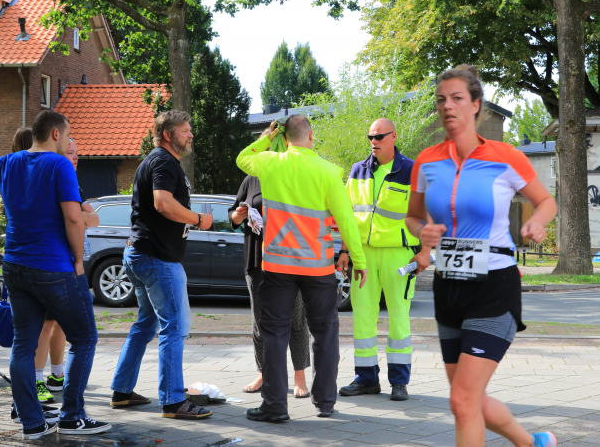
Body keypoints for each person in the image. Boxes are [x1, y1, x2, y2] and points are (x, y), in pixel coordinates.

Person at [0, 111, 110, 439]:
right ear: (55, 134)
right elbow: (73, 219)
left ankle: (32, 423)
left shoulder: (7, 163)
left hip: (15, 266)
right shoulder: (60, 166)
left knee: (23, 344)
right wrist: (80, 263)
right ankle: (72, 416)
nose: (69, 142)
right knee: (84, 339)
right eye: (68, 136)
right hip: (54, 268)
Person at [405, 66, 557, 447]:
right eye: (441, 99)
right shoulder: (426, 161)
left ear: (476, 106)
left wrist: (537, 222)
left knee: (462, 398)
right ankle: (532, 443)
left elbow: (546, 201)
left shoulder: (505, 158)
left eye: (457, 98)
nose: (447, 106)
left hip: (494, 287)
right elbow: (412, 217)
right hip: (448, 288)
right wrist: (421, 233)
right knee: (466, 400)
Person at [235, 114, 367, 422]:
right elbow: (346, 220)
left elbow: (243, 157)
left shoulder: (270, 163)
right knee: (325, 332)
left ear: (284, 136)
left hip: (278, 265)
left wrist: (268, 136)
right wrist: (357, 260)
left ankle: (275, 407)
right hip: (318, 266)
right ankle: (325, 402)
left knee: (274, 333)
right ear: (311, 137)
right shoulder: (328, 171)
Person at [109, 110, 215, 420]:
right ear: (168, 135)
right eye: (185, 130)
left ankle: (122, 392)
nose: (190, 135)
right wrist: (198, 219)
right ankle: (173, 402)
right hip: (157, 259)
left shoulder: (154, 161)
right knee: (175, 327)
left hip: (139, 254)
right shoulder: (164, 162)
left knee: (145, 324)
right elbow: (162, 202)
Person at [340, 118, 431, 402]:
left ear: (393, 136)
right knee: (362, 317)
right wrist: (345, 251)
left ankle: (399, 382)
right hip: (363, 255)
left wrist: (426, 252)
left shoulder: (414, 171)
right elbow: (347, 215)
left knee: (399, 318)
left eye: (379, 136)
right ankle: (366, 380)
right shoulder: (358, 171)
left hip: (399, 254)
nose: (373, 142)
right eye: (370, 137)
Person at [228, 169, 312, 397]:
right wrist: (240, 214)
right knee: (259, 321)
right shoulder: (250, 180)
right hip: (256, 260)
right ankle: (263, 374)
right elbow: (233, 219)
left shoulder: (292, 175)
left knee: (296, 318)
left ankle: (299, 376)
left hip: (288, 260)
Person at [34, 137, 100, 400]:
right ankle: (37, 381)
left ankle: (57, 375)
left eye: (77, 153)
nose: (75, 157)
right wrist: (74, 216)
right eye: (70, 152)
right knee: (46, 324)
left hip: (71, 264)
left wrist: (75, 216)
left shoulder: (74, 184)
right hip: (53, 263)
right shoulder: (50, 179)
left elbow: (93, 218)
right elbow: (73, 218)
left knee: (61, 323)